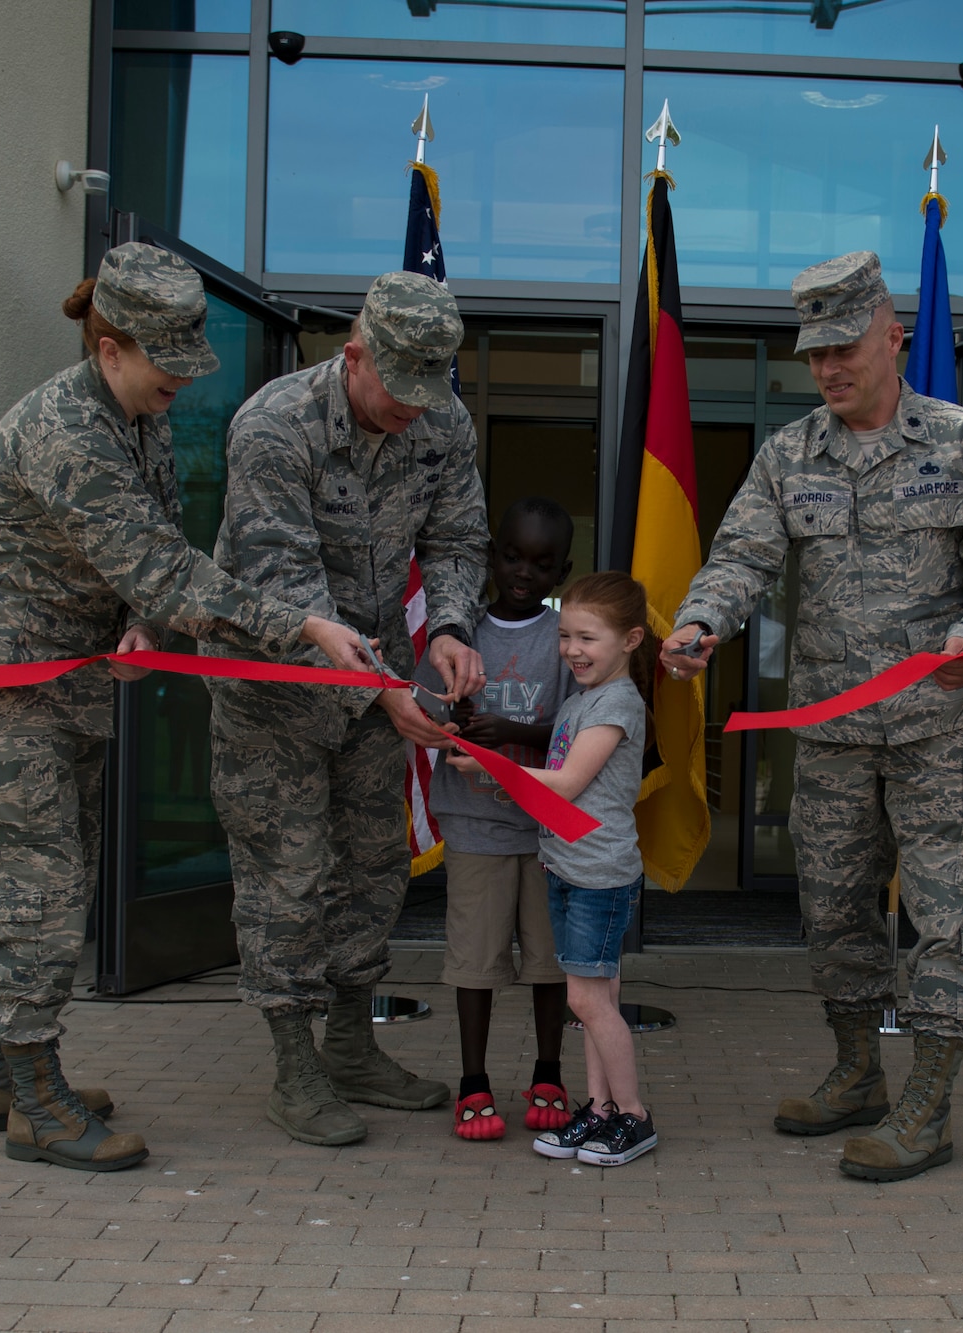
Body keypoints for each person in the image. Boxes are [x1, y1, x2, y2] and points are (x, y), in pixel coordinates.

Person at [0, 243, 375, 1173]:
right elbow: (165, 569)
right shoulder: (67, 431)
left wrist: (135, 623)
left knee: (49, 874)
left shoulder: (139, 417)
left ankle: (1, 1073)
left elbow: (150, 554)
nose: (182, 383)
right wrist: (306, 628)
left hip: (65, 681)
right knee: (38, 885)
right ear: (110, 346)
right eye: (167, 364)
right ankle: (35, 1103)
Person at [663, 251, 963, 1183]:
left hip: (941, 728)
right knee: (832, 909)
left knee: (944, 913)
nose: (829, 368)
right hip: (832, 731)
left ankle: (931, 1099)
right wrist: (704, 620)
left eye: (844, 347)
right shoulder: (790, 455)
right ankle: (859, 1069)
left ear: (890, 336)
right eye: (814, 353)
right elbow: (741, 556)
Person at [205, 270, 489, 1147]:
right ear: (352, 354)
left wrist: (445, 624)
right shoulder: (273, 426)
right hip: (275, 691)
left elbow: (456, 536)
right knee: (287, 878)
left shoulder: (440, 420)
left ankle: (350, 1043)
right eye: (397, 390)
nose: (412, 410)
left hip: (377, 689)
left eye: (426, 392)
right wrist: (381, 686)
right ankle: (295, 1068)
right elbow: (286, 585)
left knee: (372, 866)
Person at [416, 496, 578, 1141]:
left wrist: (511, 729)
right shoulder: (457, 636)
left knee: (549, 961)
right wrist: (451, 728)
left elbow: (577, 734)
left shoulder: (567, 643)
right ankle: (473, 1080)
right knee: (475, 960)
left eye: (541, 564)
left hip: (544, 828)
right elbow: (422, 714)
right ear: (489, 556)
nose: (522, 572)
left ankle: (548, 1070)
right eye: (511, 557)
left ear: (561, 574)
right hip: (476, 825)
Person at [522, 572, 659, 1168]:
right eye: (565, 635)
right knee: (598, 996)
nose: (572, 649)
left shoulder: (619, 703)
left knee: (587, 1002)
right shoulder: (582, 700)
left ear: (630, 640)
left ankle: (634, 1117)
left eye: (587, 638)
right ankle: (599, 1110)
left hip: (599, 875)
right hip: (567, 866)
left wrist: (491, 770)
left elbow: (570, 783)